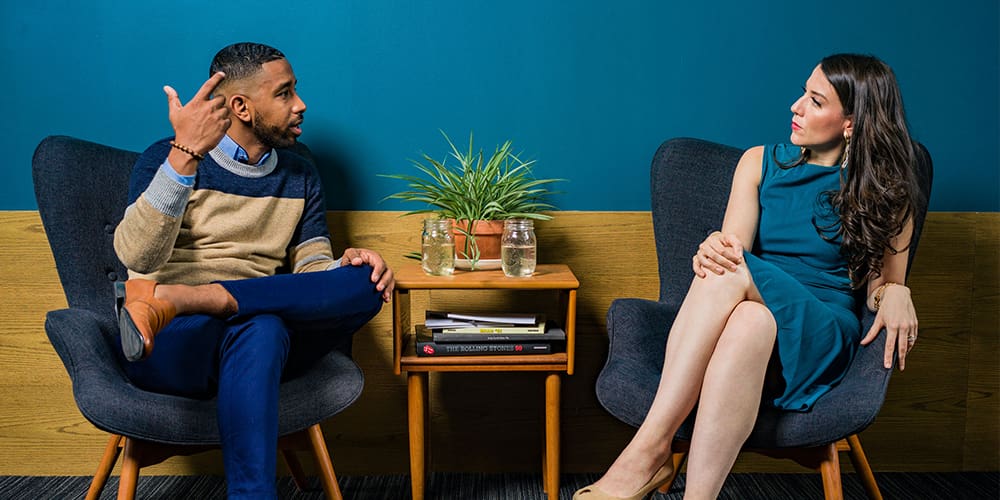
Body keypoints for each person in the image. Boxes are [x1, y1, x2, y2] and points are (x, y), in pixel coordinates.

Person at [574, 53, 921, 500]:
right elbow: (729, 251)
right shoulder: (759, 163)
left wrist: (895, 291)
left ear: (851, 123)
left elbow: (880, 290)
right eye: (803, 93)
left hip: (821, 326)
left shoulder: (886, 191)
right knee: (747, 315)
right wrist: (711, 248)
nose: (795, 107)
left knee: (734, 269)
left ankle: (648, 450)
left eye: (815, 101)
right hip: (758, 316)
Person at [112, 42, 395, 499]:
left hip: (254, 335)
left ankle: (192, 296)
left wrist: (343, 267)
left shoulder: (300, 175)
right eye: (284, 93)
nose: (300, 105)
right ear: (241, 106)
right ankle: (185, 304)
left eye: (295, 91)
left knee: (366, 282)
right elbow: (138, 259)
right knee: (263, 325)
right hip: (172, 341)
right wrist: (183, 158)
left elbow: (312, 268)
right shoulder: (167, 159)